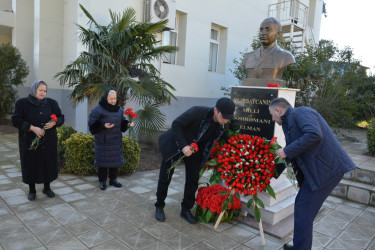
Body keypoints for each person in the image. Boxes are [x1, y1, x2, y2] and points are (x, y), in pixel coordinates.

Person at [268, 98, 356, 250]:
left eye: (271, 114)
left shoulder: (301, 112)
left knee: (304, 211)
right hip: (317, 173)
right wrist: (269, 174)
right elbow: (292, 151)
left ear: (278, 110)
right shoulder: (288, 123)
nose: (272, 119)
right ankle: (299, 245)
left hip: (326, 170)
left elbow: (314, 134)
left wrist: (286, 151)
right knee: (302, 208)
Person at [155, 97, 235, 224]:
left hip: (194, 150)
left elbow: (227, 138)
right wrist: (184, 146)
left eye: (228, 117)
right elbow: (176, 124)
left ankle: (186, 209)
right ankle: (159, 206)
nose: (226, 120)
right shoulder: (197, 112)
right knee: (166, 176)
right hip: (175, 144)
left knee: (193, 179)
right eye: (224, 116)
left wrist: (238, 149)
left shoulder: (223, 123)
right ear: (216, 110)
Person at [12, 80, 64, 201]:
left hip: (48, 141)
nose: (43, 93)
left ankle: (47, 187)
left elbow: (61, 117)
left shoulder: (52, 103)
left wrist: (55, 123)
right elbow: (16, 120)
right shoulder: (22, 103)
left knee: (47, 163)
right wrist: (31, 128)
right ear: (34, 89)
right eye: (40, 90)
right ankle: (32, 190)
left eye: (45, 91)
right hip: (29, 141)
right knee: (31, 164)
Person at [88, 89, 132, 190]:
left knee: (114, 161)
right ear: (106, 98)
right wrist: (103, 126)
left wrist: (127, 123)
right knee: (103, 162)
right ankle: (102, 181)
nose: (113, 101)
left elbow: (122, 121)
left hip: (116, 140)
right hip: (103, 141)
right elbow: (91, 124)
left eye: (115, 98)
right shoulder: (98, 109)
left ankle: (113, 179)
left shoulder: (119, 109)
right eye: (111, 98)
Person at [242, 17, 295, 85]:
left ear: (278, 33)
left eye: (268, 29)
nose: (263, 33)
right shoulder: (248, 57)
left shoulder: (286, 57)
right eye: (261, 30)